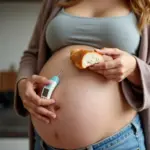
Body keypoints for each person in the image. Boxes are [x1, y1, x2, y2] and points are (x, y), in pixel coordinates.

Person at [14, 0, 150, 150]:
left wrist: (135, 69)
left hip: (118, 143)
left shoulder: (144, 4)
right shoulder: (54, 2)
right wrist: (23, 83)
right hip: (46, 144)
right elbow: (32, 55)